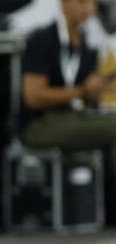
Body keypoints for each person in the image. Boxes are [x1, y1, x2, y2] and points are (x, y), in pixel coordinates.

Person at [21, 0, 116, 217]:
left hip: (76, 117)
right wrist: (82, 90)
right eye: (82, 2)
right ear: (63, 3)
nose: (89, 9)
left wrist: (98, 89)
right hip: (41, 124)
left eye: (93, 3)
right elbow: (33, 97)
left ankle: (107, 209)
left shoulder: (88, 43)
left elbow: (84, 94)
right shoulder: (43, 40)